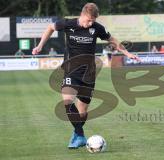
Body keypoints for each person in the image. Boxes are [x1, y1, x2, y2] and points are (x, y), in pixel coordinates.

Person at [32, 3, 139, 149]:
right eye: (88, 20)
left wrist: (127, 53)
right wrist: (40, 45)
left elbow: (112, 40)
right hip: (71, 69)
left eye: (92, 21)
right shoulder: (68, 24)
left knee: (82, 112)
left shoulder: (97, 28)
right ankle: (80, 135)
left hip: (88, 73)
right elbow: (50, 27)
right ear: (82, 15)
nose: (90, 24)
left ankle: (78, 135)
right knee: (68, 101)